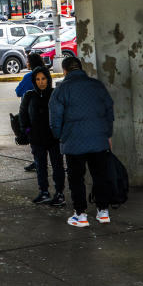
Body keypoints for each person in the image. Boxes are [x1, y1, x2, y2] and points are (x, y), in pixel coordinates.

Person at [49, 56, 114, 228]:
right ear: (80, 68)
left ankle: (81, 214)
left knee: (76, 178)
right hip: (99, 139)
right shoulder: (97, 86)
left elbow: (55, 118)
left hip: (73, 142)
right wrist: (108, 134)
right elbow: (109, 110)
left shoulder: (61, 90)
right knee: (99, 175)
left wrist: (59, 135)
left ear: (65, 71)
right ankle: (103, 212)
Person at [19, 69, 65, 207]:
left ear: (48, 79)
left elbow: (61, 114)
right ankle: (44, 192)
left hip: (54, 138)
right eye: (38, 79)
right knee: (40, 166)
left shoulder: (54, 94)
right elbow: (23, 116)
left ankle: (59, 193)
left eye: (43, 79)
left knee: (57, 166)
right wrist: (28, 131)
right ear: (34, 81)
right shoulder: (29, 95)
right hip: (37, 139)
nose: (41, 82)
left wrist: (60, 132)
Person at [17, 54, 51, 172]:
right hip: (47, 117)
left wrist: (26, 130)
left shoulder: (29, 77)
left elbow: (18, 91)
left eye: (27, 61)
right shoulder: (46, 74)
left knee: (37, 145)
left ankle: (38, 163)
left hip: (32, 116)